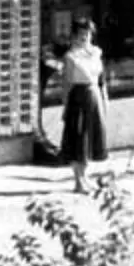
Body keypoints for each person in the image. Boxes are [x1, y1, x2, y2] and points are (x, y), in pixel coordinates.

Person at [56, 19, 110, 193]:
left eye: (87, 33)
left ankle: (85, 176)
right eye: (80, 34)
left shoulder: (96, 53)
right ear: (74, 36)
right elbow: (67, 84)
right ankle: (78, 180)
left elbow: (101, 79)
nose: (84, 37)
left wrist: (105, 99)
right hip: (78, 99)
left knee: (91, 139)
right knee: (78, 139)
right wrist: (65, 105)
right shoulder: (71, 56)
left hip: (94, 97)